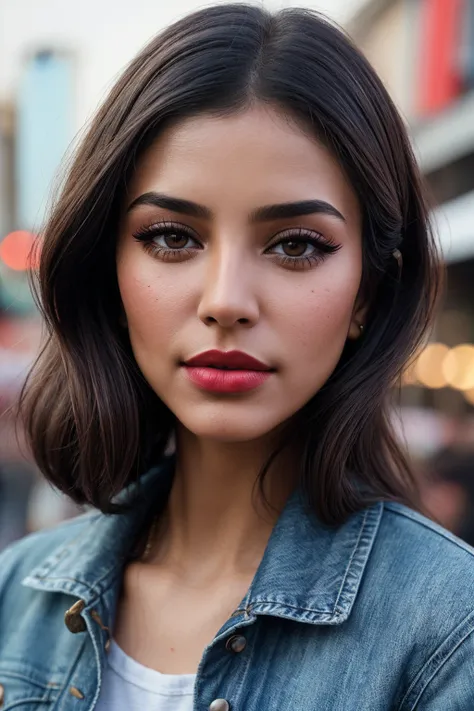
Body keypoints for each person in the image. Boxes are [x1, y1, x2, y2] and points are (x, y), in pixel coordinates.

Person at [1, 4, 473, 710]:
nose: (225, 300)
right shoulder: (17, 596)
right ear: (109, 270)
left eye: (296, 245)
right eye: (171, 237)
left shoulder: (447, 631)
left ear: (369, 292)